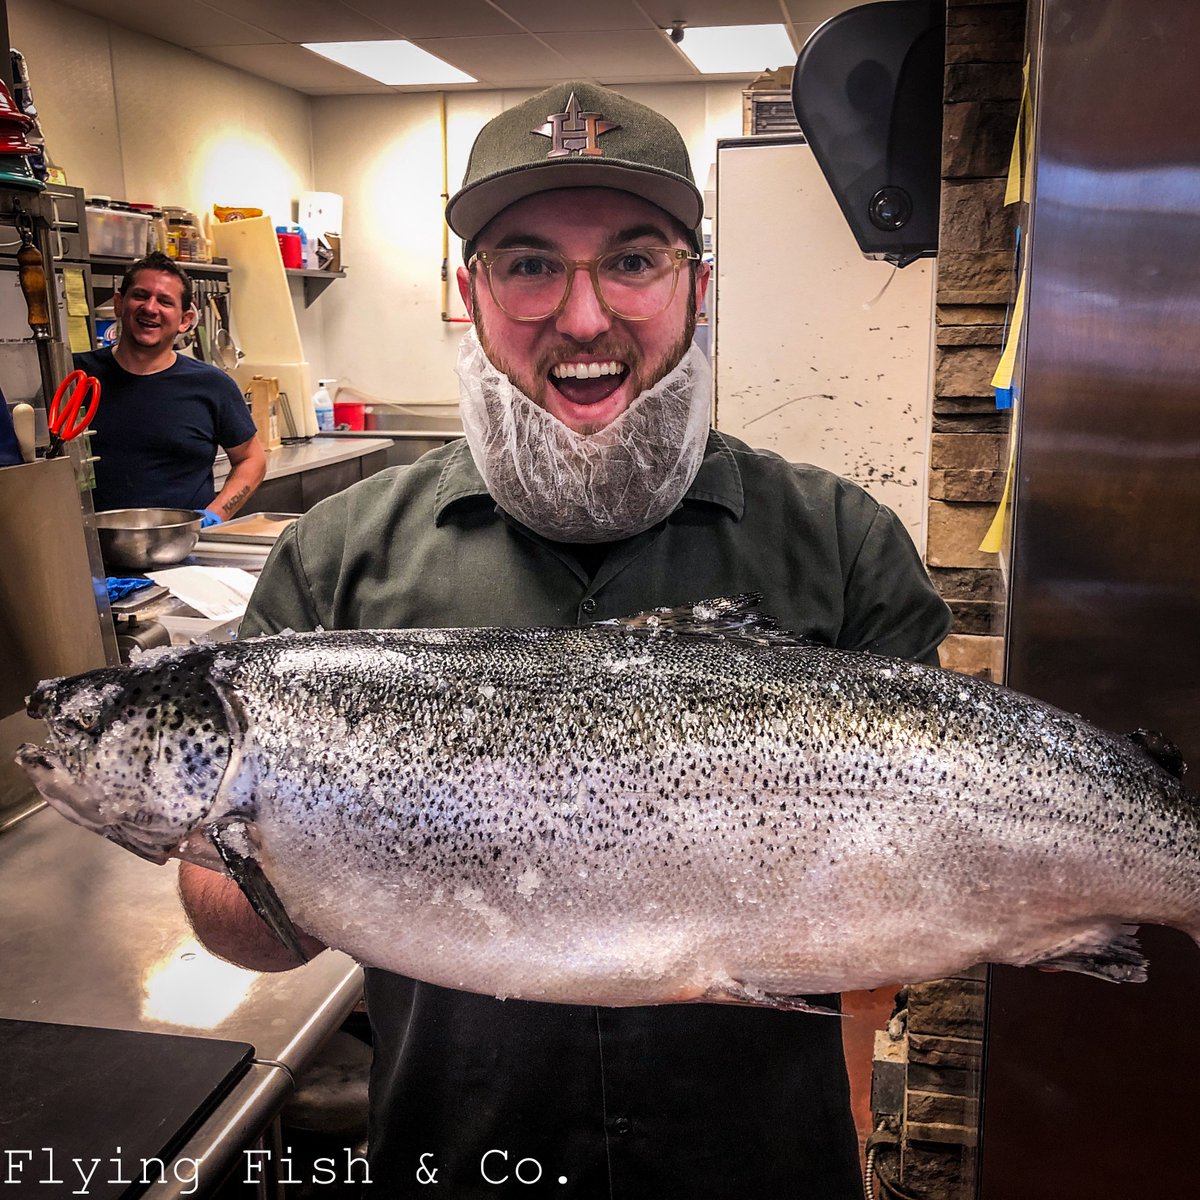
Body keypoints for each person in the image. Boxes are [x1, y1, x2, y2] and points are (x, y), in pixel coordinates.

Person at [180, 81, 951, 1197]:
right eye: (530, 264)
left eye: (633, 261)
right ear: (471, 293)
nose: (584, 319)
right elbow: (232, 919)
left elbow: (928, 867)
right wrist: (289, 854)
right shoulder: (338, 558)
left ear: (696, 286)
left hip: (757, 1170)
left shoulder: (840, 543)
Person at [75, 251, 265, 524]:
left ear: (185, 320)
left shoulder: (212, 385)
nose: (150, 308)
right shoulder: (76, 376)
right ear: (119, 303)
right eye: (140, 295)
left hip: (185, 543)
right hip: (91, 542)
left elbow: (251, 459)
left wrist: (214, 515)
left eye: (165, 301)